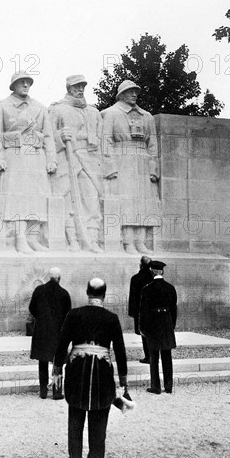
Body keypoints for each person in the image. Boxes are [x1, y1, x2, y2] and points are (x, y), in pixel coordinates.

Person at [52, 278, 128, 458]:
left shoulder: (74, 314)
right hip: (102, 371)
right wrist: (123, 381)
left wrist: (57, 370)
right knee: (99, 418)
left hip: (77, 369)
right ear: (104, 294)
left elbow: (61, 344)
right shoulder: (111, 318)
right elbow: (120, 350)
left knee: (75, 417)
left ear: (87, 293)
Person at [0, 71, 57, 253]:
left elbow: (49, 136)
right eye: (21, 82)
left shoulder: (40, 108)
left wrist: (52, 160)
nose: (26, 85)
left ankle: (33, 238)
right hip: (14, 155)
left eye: (28, 82)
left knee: (36, 197)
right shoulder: (2, 106)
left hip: (36, 156)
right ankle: (20, 239)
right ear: (13, 85)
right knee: (18, 198)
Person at [49, 75, 114, 252]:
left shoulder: (93, 112)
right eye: (76, 86)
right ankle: (73, 240)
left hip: (91, 160)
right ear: (69, 88)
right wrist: (60, 137)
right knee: (68, 199)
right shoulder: (58, 109)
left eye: (82, 86)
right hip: (67, 157)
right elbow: (48, 135)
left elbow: (102, 140)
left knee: (91, 201)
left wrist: (107, 165)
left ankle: (92, 240)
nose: (80, 89)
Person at [101, 80, 160, 254]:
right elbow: (106, 140)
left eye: (136, 91)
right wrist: (110, 166)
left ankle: (140, 241)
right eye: (130, 91)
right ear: (121, 94)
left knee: (143, 203)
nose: (134, 94)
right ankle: (127, 242)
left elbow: (153, 144)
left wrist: (153, 167)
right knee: (127, 202)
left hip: (142, 161)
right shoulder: (111, 113)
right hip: (122, 160)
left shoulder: (146, 116)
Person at [28, 267, 72, 399]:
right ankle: (57, 391)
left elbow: (32, 308)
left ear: (49, 277)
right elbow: (67, 315)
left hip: (41, 330)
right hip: (57, 332)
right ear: (59, 278)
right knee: (57, 362)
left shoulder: (39, 290)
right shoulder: (64, 293)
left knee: (42, 361)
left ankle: (42, 391)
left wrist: (40, 320)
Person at [139, 260, 177, 394]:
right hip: (166, 322)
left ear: (152, 271)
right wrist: (172, 325)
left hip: (153, 323)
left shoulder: (147, 289)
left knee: (154, 357)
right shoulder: (170, 288)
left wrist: (142, 328)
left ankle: (156, 386)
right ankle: (168, 386)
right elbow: (174, 309)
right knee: (167, 356)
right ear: (162, 271)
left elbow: (143, 311)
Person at [128, 255, 154, 363]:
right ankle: (153, 356)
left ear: (140, 265)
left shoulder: (135, 278)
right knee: (152, 334)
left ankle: (148, 356)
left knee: (144, 335)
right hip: (152, 311)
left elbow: (133, 297)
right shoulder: (152, 278)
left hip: (140, 311)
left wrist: (132, 312)